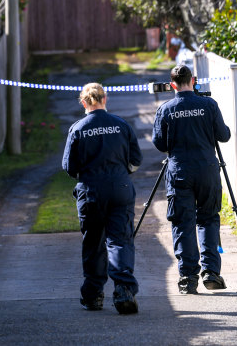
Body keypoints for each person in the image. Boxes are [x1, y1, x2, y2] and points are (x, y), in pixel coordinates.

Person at [62, 82, 143, 314]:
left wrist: (89, 175)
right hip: (120, 187)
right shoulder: (121, 125)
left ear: (84, 102)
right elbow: (136, 160)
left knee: (93, 242)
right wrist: (120, 174)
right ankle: (124, 290)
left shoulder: (78, 128)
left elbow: (69, 166)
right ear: (105, 99)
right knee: (120, 240)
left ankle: (93, 294)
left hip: (91, 190)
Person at [152, 64, 231, 294]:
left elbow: (160, 144)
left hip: (180, 172)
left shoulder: (166, 109)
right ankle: (211, 272)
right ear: (193, 81)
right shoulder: (208, 105)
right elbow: (223, 136)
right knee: (208, 218)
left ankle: (188, 277)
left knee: (183, 222)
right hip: (207, 170)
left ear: (172, 84)